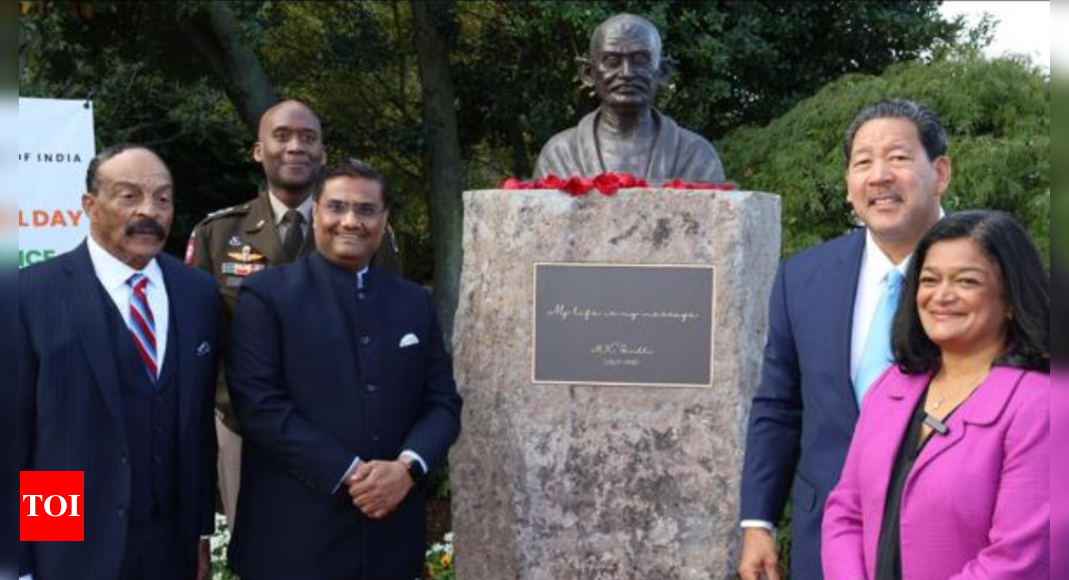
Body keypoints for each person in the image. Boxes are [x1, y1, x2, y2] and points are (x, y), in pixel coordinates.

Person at [738, 99, 952, 580]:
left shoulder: (987, 274)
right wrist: (758, 521)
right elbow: (779, 404)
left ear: (940, 173)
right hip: (826, 540)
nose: (879, 176)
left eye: (898, 158)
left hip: (946, 540)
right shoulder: (803, 277)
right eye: (862, 162)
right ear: (849, 184)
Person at [225, 160, 463, 580]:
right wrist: (354, 473)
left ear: (384, 219)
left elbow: (442, 402)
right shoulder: (267, 295)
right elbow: (259, 406)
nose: (350, 221)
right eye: (336, 207)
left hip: (389, 538)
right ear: (316, 212)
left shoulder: (413, 302)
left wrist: (406, 469)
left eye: (366, 210)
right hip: (292, 538)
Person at [186, 99, 402, 530]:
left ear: (322, 153)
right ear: (258, 150)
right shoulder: (218, 233)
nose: (295, 147)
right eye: (282, 136)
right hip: (243, 425)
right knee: (259, 547)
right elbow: (198, 343)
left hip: (343, 429)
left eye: (308, 138)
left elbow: (390, 321)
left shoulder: (366, 231)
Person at [19, 144, 220, 580]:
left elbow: (199, 429)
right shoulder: (29, 294)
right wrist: (24, 561)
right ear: (90, 206)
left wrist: (200, 532)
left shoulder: (199, 293)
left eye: (163, 199)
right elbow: (18, 433)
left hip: (171, 544)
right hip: (71, 547)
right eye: (129, 196)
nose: (150, 211)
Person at [822, 210, 1049, 580]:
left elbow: (1021, 558)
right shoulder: (891, 386)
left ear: (1010, 299)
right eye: (929, 280)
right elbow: (846, 510)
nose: (941, 296)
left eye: (966, 281)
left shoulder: (1042, 406)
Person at [533, 13, 725, 184]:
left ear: (663, 72)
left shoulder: (696, 156)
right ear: (589, 73)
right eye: (612, 61)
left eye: (640, 60)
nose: (626, 73)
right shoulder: (561, 154)